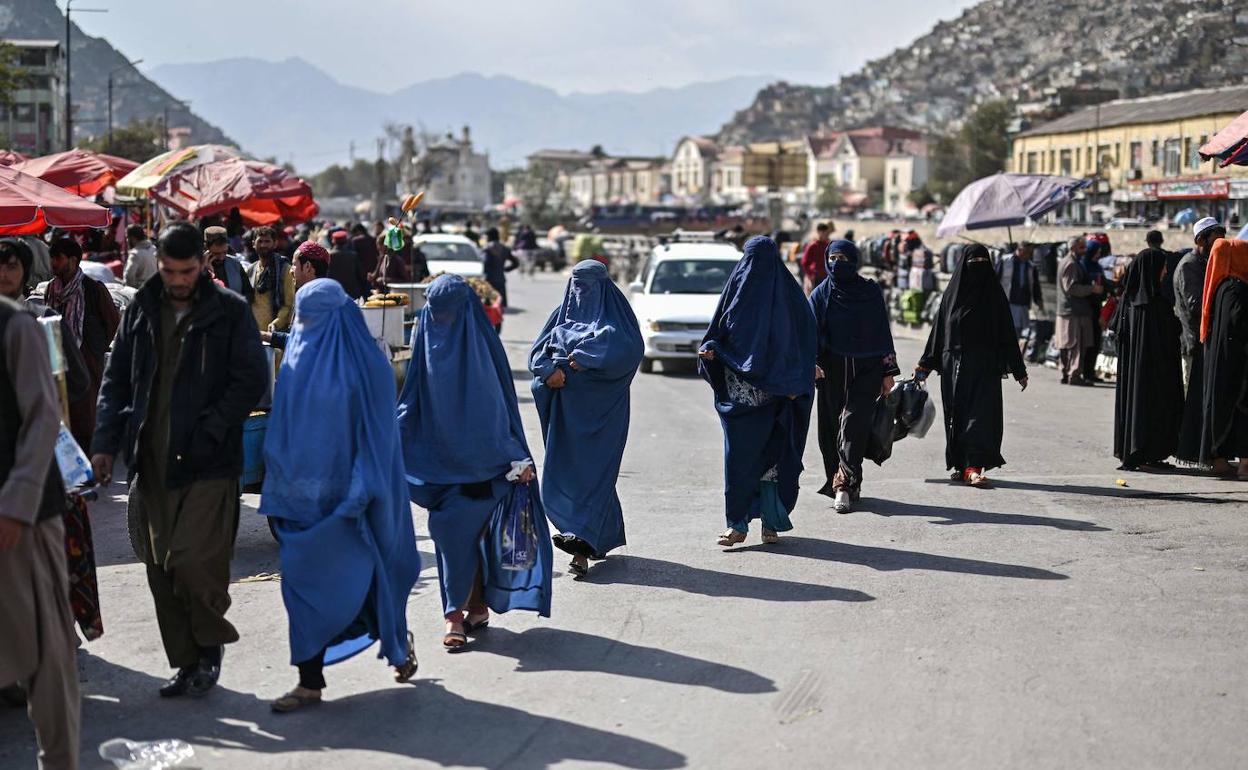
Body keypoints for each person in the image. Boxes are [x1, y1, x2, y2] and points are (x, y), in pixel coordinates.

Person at [91, 222, 269, 697]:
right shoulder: (143, 309)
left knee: (195, 561)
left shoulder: (228, 310)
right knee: (159, 566)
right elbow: (116, 382)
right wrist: (105, 445)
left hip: (209, 461)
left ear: (202, 266)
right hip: (151, 458)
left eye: (186, 271)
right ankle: (188, 663)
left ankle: (209, 649)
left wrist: (214, 427)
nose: (176, 280)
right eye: (169, 270)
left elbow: (252, 379)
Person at [260, 279, 418, 713]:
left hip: (353, 498)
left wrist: (363, 487)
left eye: (315, 319)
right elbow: (284, 425)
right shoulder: (297, 355)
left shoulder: (370, 367)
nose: (307, 327)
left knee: (367, 579)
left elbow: (380, 437)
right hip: (297, 500)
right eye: (303, 319)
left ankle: (396, 637)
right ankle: (309, 681)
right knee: (301, 587)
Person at [397, 274, 552, 651]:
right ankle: (459, 613)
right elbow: (412, 395)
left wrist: (514, 455)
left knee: (474, 538)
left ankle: (470, 609)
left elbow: (497, 406)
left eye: (447, 311)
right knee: (451, 535)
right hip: (439, 465)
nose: (441, 319)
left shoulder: (479, 346)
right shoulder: (427, 336)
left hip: (487, 465)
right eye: (435, 311)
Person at [0, 241, 102, 643]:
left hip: (43, 462)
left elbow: (75, 383)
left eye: (12, 266)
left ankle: (57, 631)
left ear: (26, 273)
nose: (5, 274)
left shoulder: (43, 321)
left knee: (52, 553)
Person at [0, 294, 81, 770]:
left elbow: (44, 417)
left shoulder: (15, 327)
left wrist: (16, 505)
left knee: (47, 653)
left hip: (24, 518)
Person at [698, 236, 816, 546]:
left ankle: (770, 524)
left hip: (779, 400)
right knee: (739, 463)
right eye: (751, 260)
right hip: (740, 403)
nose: (756, 269)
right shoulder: (736, 292)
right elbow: (717, 335)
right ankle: (737, 525)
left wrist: (801, 377)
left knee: (773, 464)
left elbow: (804, 345)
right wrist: (711, 350)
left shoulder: (792, 302)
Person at [529, 260, 643, 577]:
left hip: (603, 416)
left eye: (588, 284)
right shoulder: (561, 315)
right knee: (570, 471)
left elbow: (629, 348)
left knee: (594, 473)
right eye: (577, 284)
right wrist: (549, 371)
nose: (582, 292)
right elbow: (538, 353)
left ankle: (579, 547)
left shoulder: (617, 318)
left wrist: (587, 356)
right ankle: (597, 537)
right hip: (565, 416)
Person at [916, 244, 1028, 488]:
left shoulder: (994, 295)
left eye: (982, 261)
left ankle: (973, 465)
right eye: (972, 261)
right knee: (956, 416)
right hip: (953, 366)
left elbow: (1008, 333)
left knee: (980, 416)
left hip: (985, 366)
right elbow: (939, 331)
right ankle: (961, 463)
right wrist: (925, 364)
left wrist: (1019, 370)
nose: (977, 266)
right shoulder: (951, 295)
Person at [809, 239, 898, 513]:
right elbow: (809, 333)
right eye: (833, 258)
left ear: (854, 261)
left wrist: (888, 370)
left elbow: (882, 331)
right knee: (830, 430)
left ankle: (843, 485)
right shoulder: (821, 294)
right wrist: (810, 363)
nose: (837, 264)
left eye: (843, 258)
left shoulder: (869, 292)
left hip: (867, 368)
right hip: (830, 370)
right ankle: (843, 478)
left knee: (853, 423)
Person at [45, 235, 120, 452]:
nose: (54, 263)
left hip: (86, 362)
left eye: (58, 258)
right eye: (53, 258)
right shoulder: (52, 288)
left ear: (73, 260)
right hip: (57, 359)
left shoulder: (93, 289)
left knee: (85, 417)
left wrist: (92, 350)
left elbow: (113, 322)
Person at [1112, 247, 1183, 472]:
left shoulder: (1129, 302)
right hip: (1152, 374)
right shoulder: (1153, 306)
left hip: (1136, 375)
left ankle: (1144, 452)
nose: (1164, 272)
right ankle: (1145, 452)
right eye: (1162, 267)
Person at [1176, 218, 1226, 469]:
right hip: (1194, 343)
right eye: (1214, 238)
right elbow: (1196, 304)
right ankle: (1197, 455)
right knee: (1195, 402)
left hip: (1209, 343)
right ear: (1201, 241)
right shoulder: (1190, 265)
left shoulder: (1209, 263)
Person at [1198, 237, 1248, 478]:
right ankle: (1245, 465)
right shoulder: (1237, 289)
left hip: (1221, 361)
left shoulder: (1220, 287)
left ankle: (1219, 459)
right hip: (1238, 363)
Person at [263, 241, 331, 351]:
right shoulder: (325, 295)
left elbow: (301, 343)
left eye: (294, 265)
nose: (290, 270)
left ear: (307, 267)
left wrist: (264, 336)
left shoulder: (313, 300)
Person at [1054, 237, 1102, 386]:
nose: (1085, 250)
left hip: (1070, 310)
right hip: (1074, 312)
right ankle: (1073, 374)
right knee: (1076, 345)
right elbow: (1071, 288)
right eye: (1082, 247)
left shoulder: (1069, 261)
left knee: (1068, 344)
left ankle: (1067, 373)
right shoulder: (1071, 264)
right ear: (1074, 248)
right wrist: (1092, 289)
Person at [246, 226, 295, 334]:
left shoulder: (284, 269)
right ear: (254, 244)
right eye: (260, 241)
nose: (263, 245)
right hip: (253, 333)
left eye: (267, 241)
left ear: (275, 243)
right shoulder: (250, 270)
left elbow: (289, 304)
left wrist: (276, 323)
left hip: (274, 334)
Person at [996, 241, 1044, 339]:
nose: (1030, 256)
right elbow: (995, 280)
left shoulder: (1031, 266)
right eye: (1028, 253)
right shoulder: (1005, 261)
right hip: (1008, 301)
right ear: (1021, 250)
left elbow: (1035, 285)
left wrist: (1038, 299)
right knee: (1009, 330)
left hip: (1023, 304)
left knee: (1019, 331)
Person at [204, 226, 252, 300]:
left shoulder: (235, 264)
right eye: (216, 253)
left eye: (224, 252)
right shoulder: (197, 268)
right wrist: (207, 272)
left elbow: (248, 292)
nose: (221, 257)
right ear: (207, 248)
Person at [482, 227, 519, 309]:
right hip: (501, 279)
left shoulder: (487, 248)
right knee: (499, 306)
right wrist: (505, 269)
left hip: (489, 280)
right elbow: (516, 263)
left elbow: (485, 263)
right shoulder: (505, 248)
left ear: (489, 236)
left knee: (488, 307)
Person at [328, 230, 369, 300]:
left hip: (333, 292)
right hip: (351, 293)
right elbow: (361, 275)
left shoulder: (329, 256)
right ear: (346, 241)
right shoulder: (353, 256)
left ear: (333, 241)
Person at [799, 222, 833, 296]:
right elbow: (804, 262)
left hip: (827, 276)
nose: (826, 234)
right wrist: (810, 274)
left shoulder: (828, 245)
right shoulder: (812, 245)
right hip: (815, 278)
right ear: (818, 232)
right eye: (824, 232)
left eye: (827, 232)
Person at [123, 224, 158, 289]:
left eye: (127, 237)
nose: (127, 240)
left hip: (141, 292)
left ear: (133, 238)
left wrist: (131, 290)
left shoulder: (135, 254)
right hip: (154, 288)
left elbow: (129, 277)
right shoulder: (153, 248)